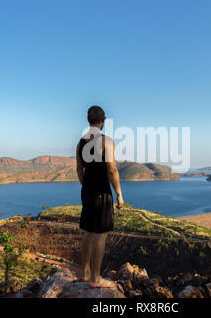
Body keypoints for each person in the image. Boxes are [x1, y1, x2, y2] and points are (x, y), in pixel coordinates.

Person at [75, 105, 124, 288]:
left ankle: (86, 274)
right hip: (102, 192)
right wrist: (119, 194)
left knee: (88, 231)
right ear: (103, 121)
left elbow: (79, 169)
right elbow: (112, 170)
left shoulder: (80, 143)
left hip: (86, 191)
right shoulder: (106, 141)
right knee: (101, 235)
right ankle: (96, 279)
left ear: (89, 120)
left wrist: (86, 186)